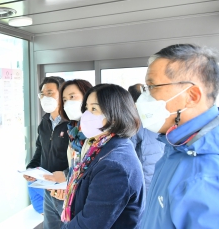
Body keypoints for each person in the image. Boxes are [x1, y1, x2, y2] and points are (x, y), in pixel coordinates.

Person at [138, 44, 219, 228]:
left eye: (152, 86)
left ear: (192, 96)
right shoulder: (179, 146)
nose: (143, 98)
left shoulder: (208, 176)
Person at [61, 84, 144, 228]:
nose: (86, 115)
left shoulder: (114, 165)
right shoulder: (100, 147)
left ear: (114, 115)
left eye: (94, 109)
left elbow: (90, 224)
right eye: (86, 108)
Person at [24, 76, 69, 229]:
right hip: (47, 189)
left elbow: (81, 160)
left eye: (50, 93)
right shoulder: (44, 122)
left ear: (62, 95)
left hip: (66, 190)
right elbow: (40, 149)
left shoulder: (72, 124)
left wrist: (66, 177)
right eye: (42, 94)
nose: (45, 98)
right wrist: (31, 168)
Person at [43, 80, 93, 187]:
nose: (68, 103)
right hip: (68, 189)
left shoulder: (96, 132)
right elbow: (74, 165)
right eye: (65, 100)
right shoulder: (73, 131)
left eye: (72, 97)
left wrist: (65, 176)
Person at [128, 83, 165, 191]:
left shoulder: (136, 117)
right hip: (159, 171)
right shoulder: (159, 113)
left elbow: (129, 150)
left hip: (146, 175)